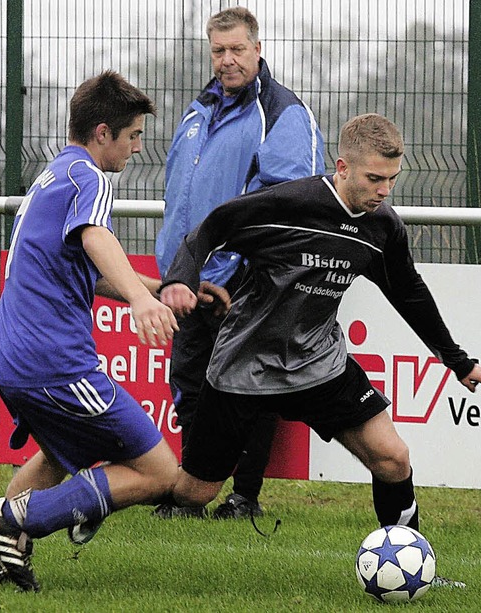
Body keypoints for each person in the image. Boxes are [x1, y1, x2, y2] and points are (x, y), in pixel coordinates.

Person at [159, 114, 481, 547]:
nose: (384, 191)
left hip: (319, 363)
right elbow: (205, 233)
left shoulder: (381, 227)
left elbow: (408, 293)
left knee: (393, 458)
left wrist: (458, 361)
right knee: (195, 492)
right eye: (375, 178)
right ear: (341, 167)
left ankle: (410, 561)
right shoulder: (288, 205)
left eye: (392, 179)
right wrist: (178, 282)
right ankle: (113, 493)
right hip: (245, 363)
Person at [0, 71, 179, 592]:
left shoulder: (53, 175)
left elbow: (85, 268)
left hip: (6, 353)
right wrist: (144, 301)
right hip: (52, 360)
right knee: (159, 471)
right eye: (133, 136)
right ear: (102, 133)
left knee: (60, 453)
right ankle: (13, 519)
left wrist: (159, 289)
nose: (137, 148)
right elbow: (95, 235)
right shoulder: (90, 177)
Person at [154, 6, 325, 519]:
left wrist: (237, 269)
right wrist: (180, 273)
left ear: (257, 48)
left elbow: (287, 204)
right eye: (217, 51)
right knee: (188, 387)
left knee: (248, 390)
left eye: (236, 50)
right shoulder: (196, 110)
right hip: (186, 284)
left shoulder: (284, 112)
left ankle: (245, 497)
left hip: (246, 285)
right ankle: (190, 496)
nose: (226, 60)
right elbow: (179, 198)